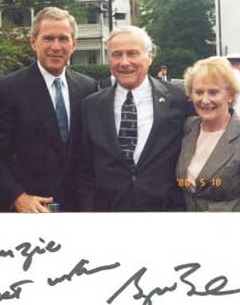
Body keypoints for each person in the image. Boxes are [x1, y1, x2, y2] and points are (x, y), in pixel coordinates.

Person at [0, 7, 98, 212]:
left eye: (63, 39)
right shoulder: (5, 90)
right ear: (33, 42)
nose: (56, 46)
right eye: (48, 38)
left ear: (74, 44)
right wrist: (18, 197)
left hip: (77, 209)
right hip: (25, 210)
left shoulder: (88, 87)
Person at [79, 25, 193, 212]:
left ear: (149, 56)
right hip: (108, 212)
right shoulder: (91, 105)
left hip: (165, 212)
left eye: (132, 53)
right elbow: (84, 168)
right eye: (117, 55)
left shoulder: (179, 99)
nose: (124, 62)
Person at [175, 56, 240, 211]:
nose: (205, 100)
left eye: (213, 92)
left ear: (231, 95)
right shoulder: (188, 127)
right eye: (198, 92)